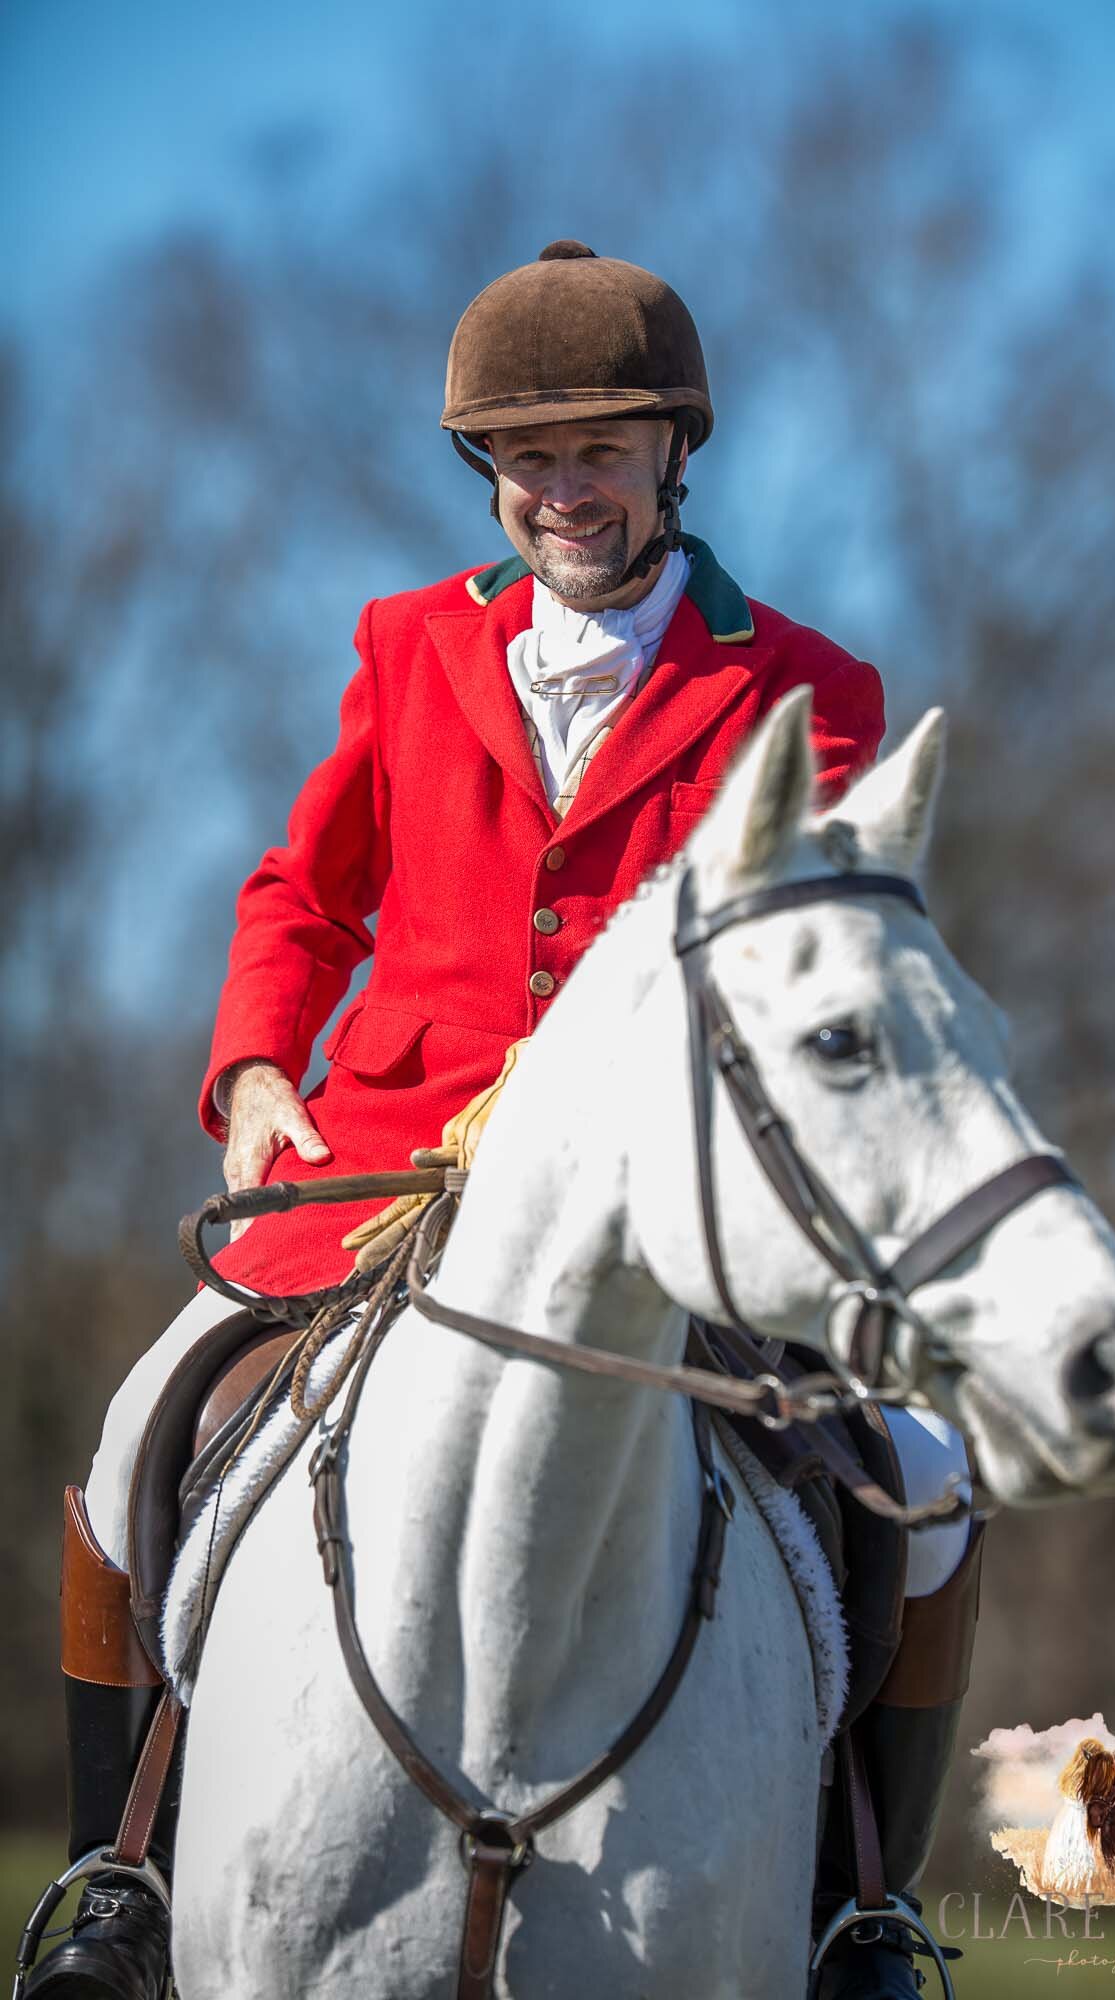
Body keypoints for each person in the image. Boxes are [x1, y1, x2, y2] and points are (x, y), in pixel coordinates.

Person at [31, 242, 980, 2000]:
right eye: (528, 457)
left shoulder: (806, 688)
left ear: (671, 454)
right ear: (489, 471)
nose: (562, 491)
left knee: (922, 1480)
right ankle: (124, 1882)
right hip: (386, 1173)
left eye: (598, 451)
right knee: (132, 1432)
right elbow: (299, 898)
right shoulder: (407, 651)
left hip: (667, 1208)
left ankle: (861, 1908)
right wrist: (254, 1074)